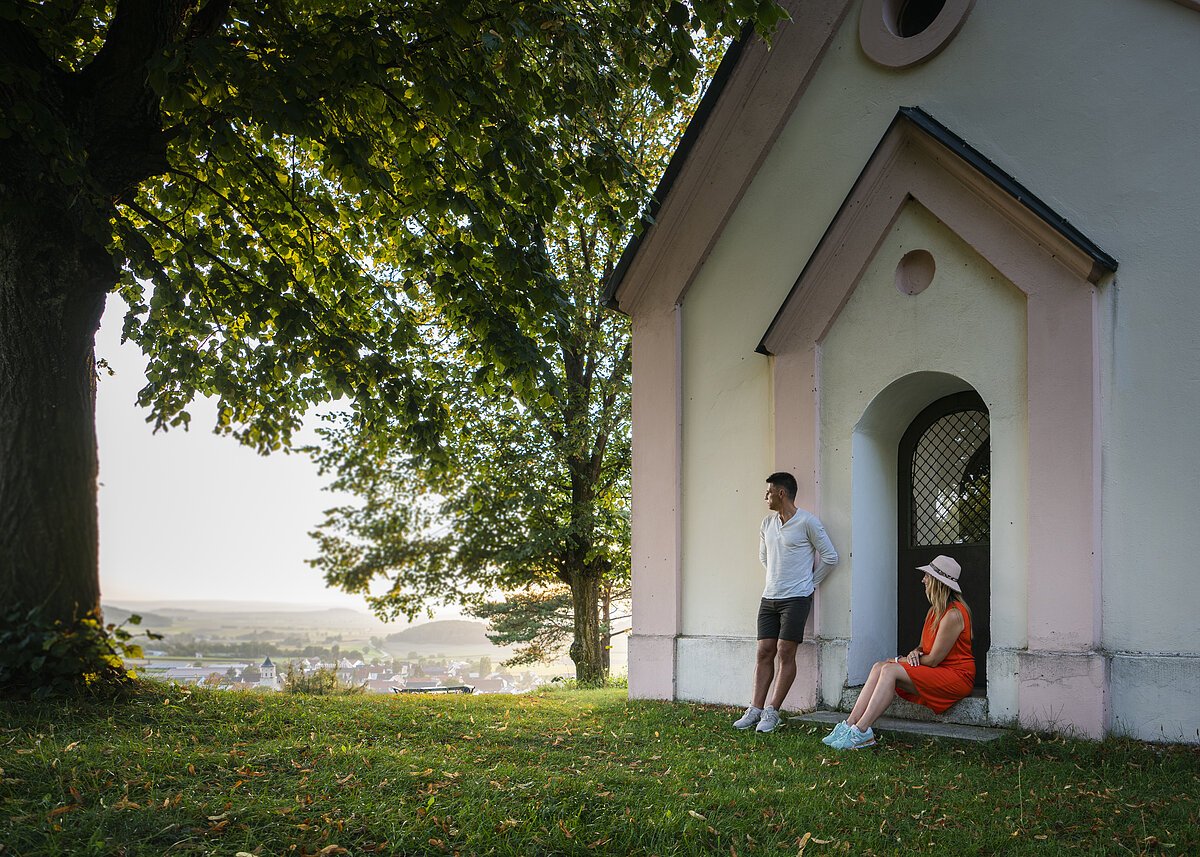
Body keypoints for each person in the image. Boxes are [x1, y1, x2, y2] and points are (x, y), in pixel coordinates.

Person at [824, 555, 975, 750]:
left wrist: (899, 660)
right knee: (879, 666)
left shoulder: (953, 614)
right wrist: (914, 653)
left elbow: (933, 660)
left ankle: (862, 732)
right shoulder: (934, 612)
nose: (923, 580)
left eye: (927, 576)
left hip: (957, 677)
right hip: (937, 670)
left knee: (889, 669)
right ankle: (849, 724)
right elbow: (923, 647)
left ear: (938, 582)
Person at [733, 472, 839, 733]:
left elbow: (831, 557)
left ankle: (772, 711)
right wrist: (778, 579)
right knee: (764, 651)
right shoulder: (767, 524)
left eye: (769, 492)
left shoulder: (808, 522)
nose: (765, 496)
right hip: (769, 597)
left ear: (781, 493)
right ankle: (755, 709)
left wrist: (809, 584)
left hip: (796, 599)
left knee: (784, 651)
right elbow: (765, 557)